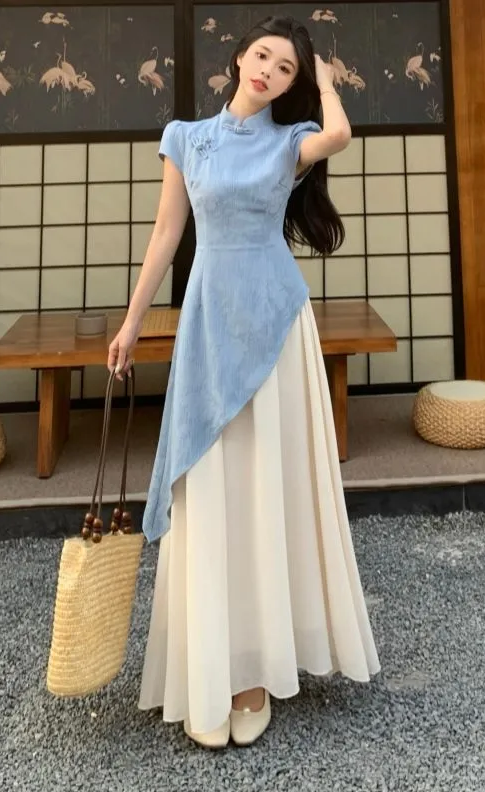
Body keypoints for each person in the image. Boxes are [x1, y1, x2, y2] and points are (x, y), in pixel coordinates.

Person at [107, 15, 381, 749]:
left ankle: (255, 669)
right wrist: (132, 324)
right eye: (263, 56)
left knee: (263, 488)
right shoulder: (185, 138)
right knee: (210, 487)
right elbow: (166, 234)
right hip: (208, 319)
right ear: (238, 58)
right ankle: (211, 665)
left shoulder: (290, 143)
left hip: (276, 323)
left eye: (286, 68)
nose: (269, 71)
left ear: (293, 84)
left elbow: (339, 135)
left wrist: (325, 81)